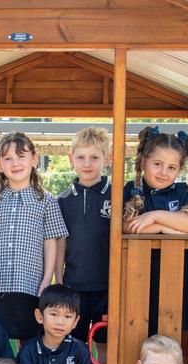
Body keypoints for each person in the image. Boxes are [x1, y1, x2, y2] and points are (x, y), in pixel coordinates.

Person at [0, 132, 69, 341]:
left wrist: (48, 279)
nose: (15, 163)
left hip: (31, 284)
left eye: (21, 156)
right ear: (0, 164)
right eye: (8, 158)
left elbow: (51, 242)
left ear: (34, 160)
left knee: (29, 339)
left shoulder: (46, 201)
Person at [121, 126, 188, 335]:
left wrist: (155, 218)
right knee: (140, 331)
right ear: (143, 162)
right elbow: (130, 226)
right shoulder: (133, 189)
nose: (163, 172)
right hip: (139, 275)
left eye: (172, 167)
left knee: (177, 331)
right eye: (157, 164)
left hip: (180, 277)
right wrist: (173, 226)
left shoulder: (182, 191)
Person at [56, 127, 112, 348]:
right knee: (74, 344)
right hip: (73, 285)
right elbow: (59, 244)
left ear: (107, 159)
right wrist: (58, 281)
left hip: (108, 286)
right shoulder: (62, 200)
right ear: (71, 159)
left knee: (105, 342)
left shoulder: (116, 196)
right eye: (81, 157)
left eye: (94, 157)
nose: (87, 163)